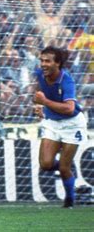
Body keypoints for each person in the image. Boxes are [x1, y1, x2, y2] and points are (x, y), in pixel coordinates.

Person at [33, 46, 87, 208]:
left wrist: (45, 103)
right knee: (46, 164)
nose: (43, 64)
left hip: (72, 125)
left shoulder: (66, 80)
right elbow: (38, 93)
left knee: (64, 168)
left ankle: (70, 199)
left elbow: (69, 108)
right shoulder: (39, 74)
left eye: (47, 61)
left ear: (58, 63)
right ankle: (68, 171)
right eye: (41, 60)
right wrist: (38, 106)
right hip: (52, 122)